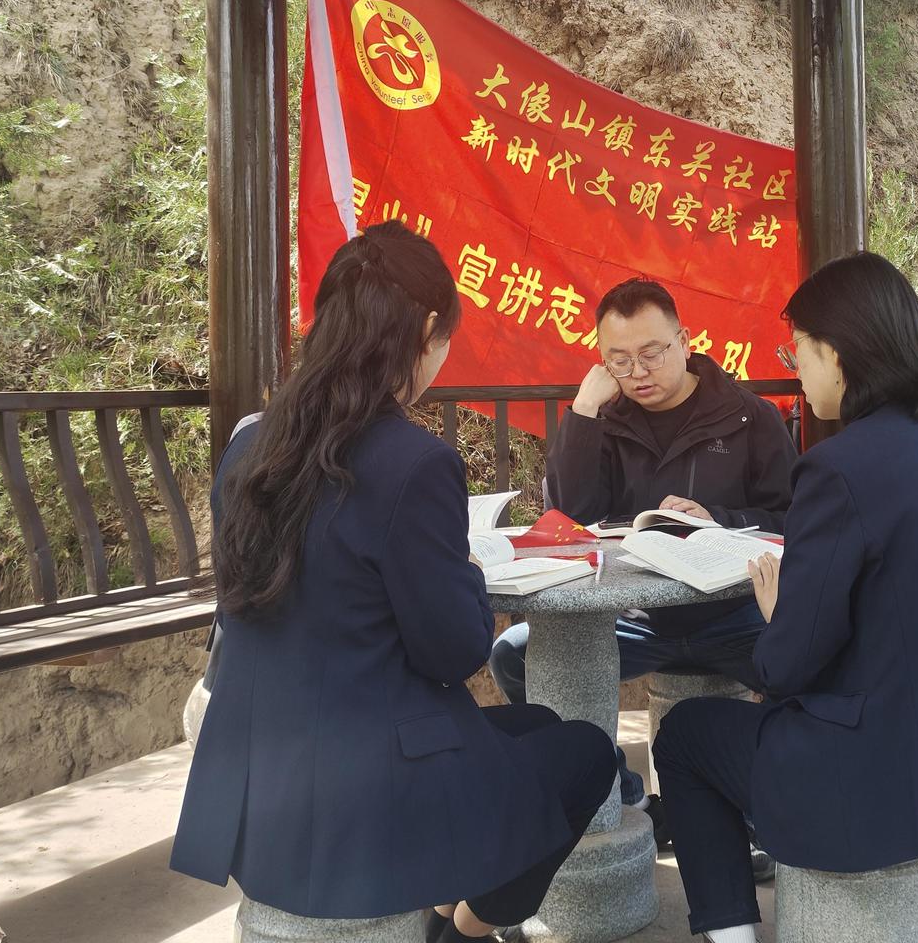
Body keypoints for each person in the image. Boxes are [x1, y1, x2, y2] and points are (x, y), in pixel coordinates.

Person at [170, 223, 615, 943]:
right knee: (587, 753)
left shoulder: (250, 444)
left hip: (263, 767)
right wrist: (466, 572)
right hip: (369, 787)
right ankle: (461, 931)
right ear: (428, 329)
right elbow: (452, 652)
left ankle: (449, 912)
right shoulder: (413, 463)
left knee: (536, 727)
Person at [652, 251, 918, 943]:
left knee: (683, 735)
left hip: (862, 772)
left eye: (797, 348)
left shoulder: (837, 469)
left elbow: (786, 667)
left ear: (837, 351)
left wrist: (778, 617)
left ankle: (730, 934)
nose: (796, 366)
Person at [489, 278, 796, 853]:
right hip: (636, 619)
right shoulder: (606, 418)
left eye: (652, 353)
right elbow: (572, 515)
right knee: (513, 655)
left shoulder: (749, 418)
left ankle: (761, 812)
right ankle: (623, 791)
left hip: (735, 617)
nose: (638, 373)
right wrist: (583, 411)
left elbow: (789, 519)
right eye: (620, 360)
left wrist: (718, 518)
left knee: (811, 666)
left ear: (685, 341)